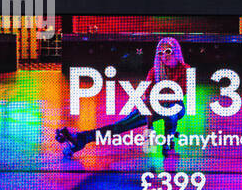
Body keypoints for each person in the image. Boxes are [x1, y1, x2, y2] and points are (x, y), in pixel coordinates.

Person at [55, 36, 189, 158]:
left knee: (171, 110)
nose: (164, 56)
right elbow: (147, 96)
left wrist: (157, 99)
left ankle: (168, 141)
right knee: (120, 126)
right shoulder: (155, 71)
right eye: (160, 53)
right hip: (152, 107)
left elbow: (178, 94)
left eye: (168, 51)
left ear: (175, 51)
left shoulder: (184, 69)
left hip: (174, 106)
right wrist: (149, 126)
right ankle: (81, 138)